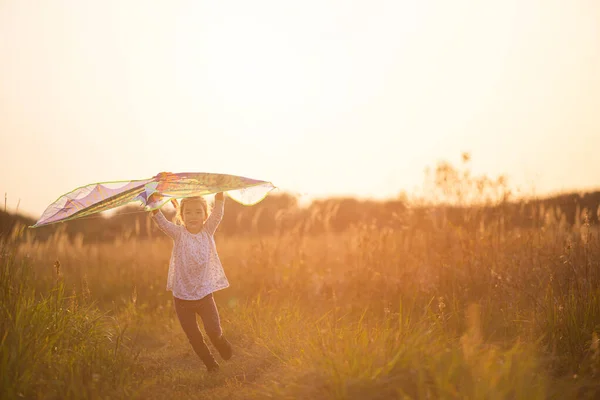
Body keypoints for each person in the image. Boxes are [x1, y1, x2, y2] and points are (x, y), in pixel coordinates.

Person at [149, 190, 232, 372]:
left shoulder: (208, 231)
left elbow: (218, 213)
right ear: (181, 215)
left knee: (213, 330)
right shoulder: (178, 234)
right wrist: (154, 205)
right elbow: (162, 223)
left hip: (204, 295)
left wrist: (219, 194)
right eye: (188, 212)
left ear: (205, 215)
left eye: (197, 212)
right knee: (194, 336)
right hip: (182, 298)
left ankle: (221, 343)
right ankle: (211, 366)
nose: (193, 216)